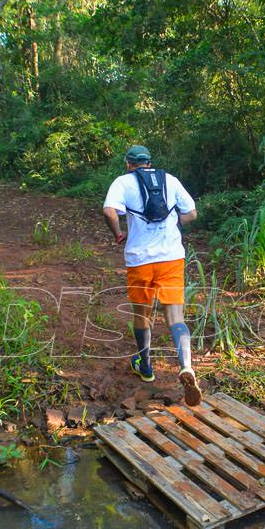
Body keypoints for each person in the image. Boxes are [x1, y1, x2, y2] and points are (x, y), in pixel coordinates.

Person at [102, 145, 202, 405]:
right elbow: (192, 213)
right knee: (175, 315)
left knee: (142, 313)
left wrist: (117, 234)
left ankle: (145, 367)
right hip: (171, 257)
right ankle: (186, 366)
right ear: (149, 162)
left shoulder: (123, 183)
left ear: (128, 163)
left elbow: (109, 211)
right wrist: (174, 222)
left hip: (140, 259)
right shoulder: (170, 180)